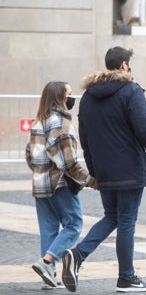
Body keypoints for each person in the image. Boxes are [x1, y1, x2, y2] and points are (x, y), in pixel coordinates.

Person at [61, 47, 146, 293]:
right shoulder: (131, 91)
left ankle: (78, 255)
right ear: (124, 65)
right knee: (126, 221)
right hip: (129, 169)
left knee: (112, 217)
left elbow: (85, 137)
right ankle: (126, 277)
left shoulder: (89, 96)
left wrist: (95, 171)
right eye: (130, 63)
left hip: (104, 170)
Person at [26, 81, 95, 290]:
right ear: (60, 98)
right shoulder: (61, 124)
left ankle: (49, 275)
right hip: (60, 185)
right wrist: (90, 180)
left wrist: (40, 173)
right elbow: (68, 163)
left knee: (48, 229)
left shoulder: (38, 123)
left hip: (40, 184)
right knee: (74, 225)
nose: (73, 98)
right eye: (70, 94)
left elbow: (29, 155)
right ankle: (47, 262)